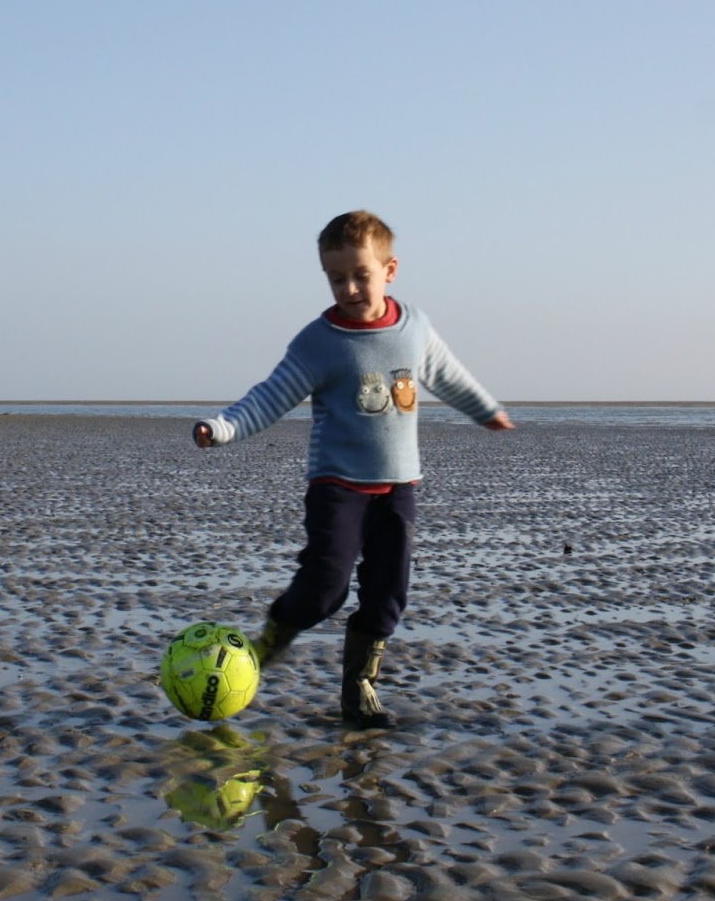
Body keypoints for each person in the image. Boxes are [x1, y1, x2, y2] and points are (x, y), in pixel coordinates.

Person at [193, 210, 514, 728]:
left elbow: (447, 374)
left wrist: (485, 410)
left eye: (360, 275)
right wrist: (221, 427)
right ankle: (276, 632)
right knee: (325, 588)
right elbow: (269, 397)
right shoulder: (319, 342)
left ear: (390, 270)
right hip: (337, 486)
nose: (349, 288)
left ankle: (360, 688)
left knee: (389, 592)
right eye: (336, 278)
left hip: (398, 486)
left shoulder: (413, 328)